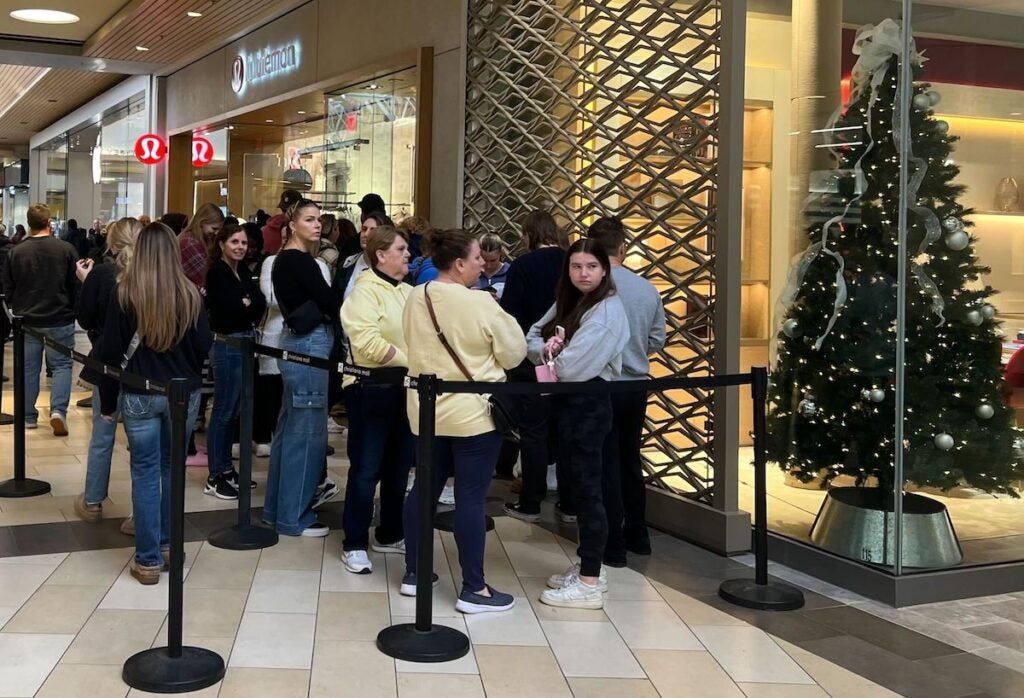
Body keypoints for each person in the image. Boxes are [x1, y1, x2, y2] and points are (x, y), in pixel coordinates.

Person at [402, 228, 526, 614]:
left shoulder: (414, 295)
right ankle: (474, 588)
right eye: (476, 259)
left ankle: (414, 573)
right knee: (470, 498)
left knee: (423, 489)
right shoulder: (481, 304)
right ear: (459, 264)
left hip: (424, 410)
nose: (481, 265)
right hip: (472, 414)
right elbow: (514, 353)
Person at [97, 222, 212, 584]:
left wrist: (108, 400)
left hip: (138, 393)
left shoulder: (126, 293)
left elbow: (112, 353)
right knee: (170, 469)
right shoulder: (191, 294)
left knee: (144, 472)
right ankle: (167, 546)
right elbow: (203, 345)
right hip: (182, 393)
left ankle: (147, 560)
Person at [530, 238, 628, 609]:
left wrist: (555, 354)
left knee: (588, 489)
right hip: (571, 403)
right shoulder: (576, 302)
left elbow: (571, 367)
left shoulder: (605, 312)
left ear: (605, 269)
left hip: (588, 404)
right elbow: (536, 339)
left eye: (590, 266)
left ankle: (590, 580)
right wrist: (550, 351)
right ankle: (591, 566)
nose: (583, 273)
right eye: (576, 266)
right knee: (578, 485)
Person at [587, 217, 666, 562]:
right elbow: (658, 339)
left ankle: (611, 544)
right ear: (623, 247)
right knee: (630, 460)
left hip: (601, 384)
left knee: (605, 463)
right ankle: (639, 534)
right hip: (635, 385)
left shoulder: (591, 287)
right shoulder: (647, 289)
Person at [339, 225, 414, 573]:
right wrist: (412, 359)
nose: (408, 254)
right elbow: (367, 344)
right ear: (381, 255)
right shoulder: (364, 292)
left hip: (405, 389)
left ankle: (390, 531)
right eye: (401, 249)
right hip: (371, 388)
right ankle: (354, 541)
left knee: (399, 467)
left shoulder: (406, 291)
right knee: (367, 468)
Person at [263, 198, 340, 537]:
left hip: (295, 342)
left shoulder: (282, 261)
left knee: (289, 429)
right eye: (309, 219)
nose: (317, 225)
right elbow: (331, 303)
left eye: (319, 219)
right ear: (292, 225)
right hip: (309, 344)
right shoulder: (300, 262)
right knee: (306, 434)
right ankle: (293, 515)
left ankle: (276, 509)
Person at [74, 217, 143, 522]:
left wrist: (84, 282)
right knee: (141, 443)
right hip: (144, 365)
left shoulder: (101, 273)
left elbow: (86, 319)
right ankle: (140, 513)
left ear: (112, 243)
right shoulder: (151, 275)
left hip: (107, 361)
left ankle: (92, 500)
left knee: (102, 434)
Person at [500, 210, 569, 498]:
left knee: (533, 430)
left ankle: (532, 495)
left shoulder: (523, 265)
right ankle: (568, 500)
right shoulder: (573, 263)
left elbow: (510, 315)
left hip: (531, 358)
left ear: (529, 234)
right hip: (570, 357)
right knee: (565, 428)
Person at [1, 204, 78, 435]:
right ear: (49, 223)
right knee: (63, 366)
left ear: (29, 222)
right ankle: (58, 411)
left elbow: (8, 286)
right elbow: (75, 284)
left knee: (28, 369)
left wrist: (16, 306)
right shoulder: (66, 249)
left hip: (28, 320)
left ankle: (28, 417)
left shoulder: (16, 251)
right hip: (60, 316)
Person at [204, 224, 267, 500]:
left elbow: (259, 303)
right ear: (221, 244)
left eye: (243, 242)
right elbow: (229, 309)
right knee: (223, 410)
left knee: (235, 408)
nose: (240, 247)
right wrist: (244, 305)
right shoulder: (218, 272)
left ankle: (227, 468)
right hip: (227, 345)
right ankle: (215, 475)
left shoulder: (241, 271)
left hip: (244, 341)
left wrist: (247, 304)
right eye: (234, 242)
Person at [179, 203, 224, 288]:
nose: (217, 233)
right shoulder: (189, 243)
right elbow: (207, 278)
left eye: (219, 229)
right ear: (201, 223)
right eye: (214, 228)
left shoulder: (197, 240)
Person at [261, 189, 303, 256]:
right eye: (285, 210)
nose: (287, 214)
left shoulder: (264, 231)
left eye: (291, 210)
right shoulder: (264, 231)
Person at [474, 232, 511, 298]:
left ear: (501, 253)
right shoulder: (472, 274)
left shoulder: (511, 273)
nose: (489, 265)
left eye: (493, 260)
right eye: (484, 260)